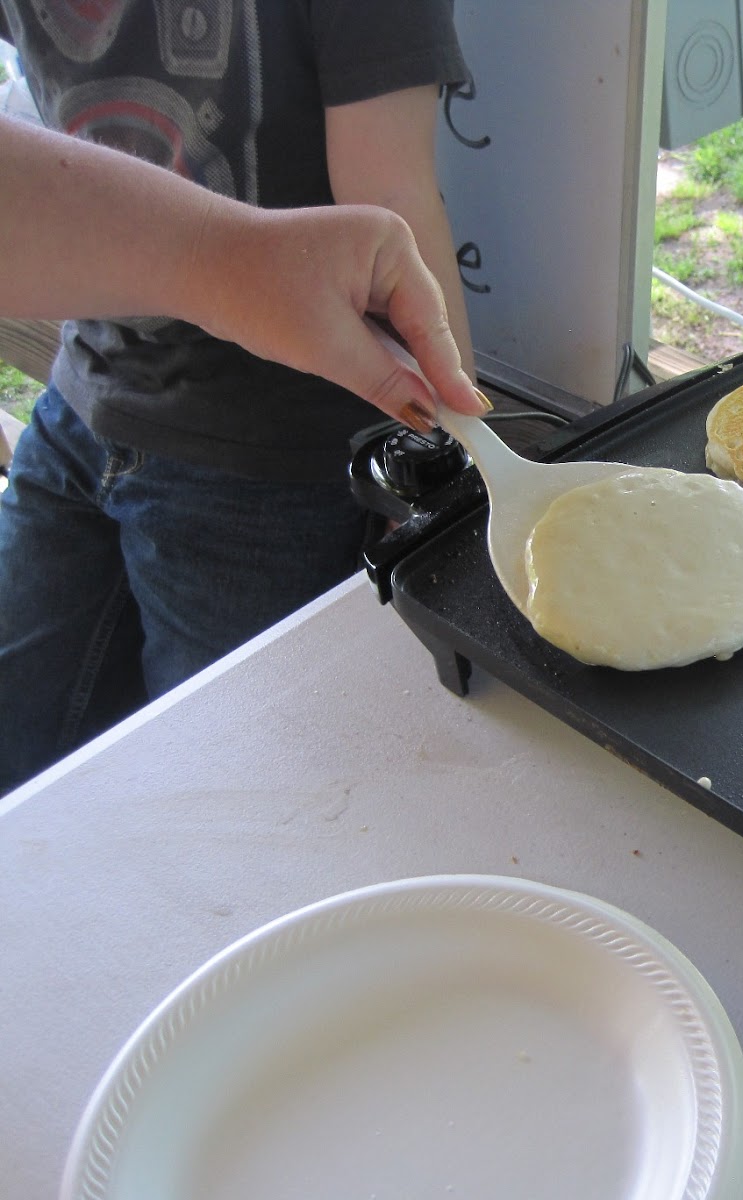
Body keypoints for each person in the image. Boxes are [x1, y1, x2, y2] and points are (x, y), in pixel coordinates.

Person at [0, 2, 478, 794]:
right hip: (79, 395)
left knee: (213, 800)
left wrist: (448, 455)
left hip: (267, 467)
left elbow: (395, 204)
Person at [0, 115, 483, 430]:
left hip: (265, 441)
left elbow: (396, 191)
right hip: (77, 385)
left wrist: (456, 441)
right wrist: (227, 259)